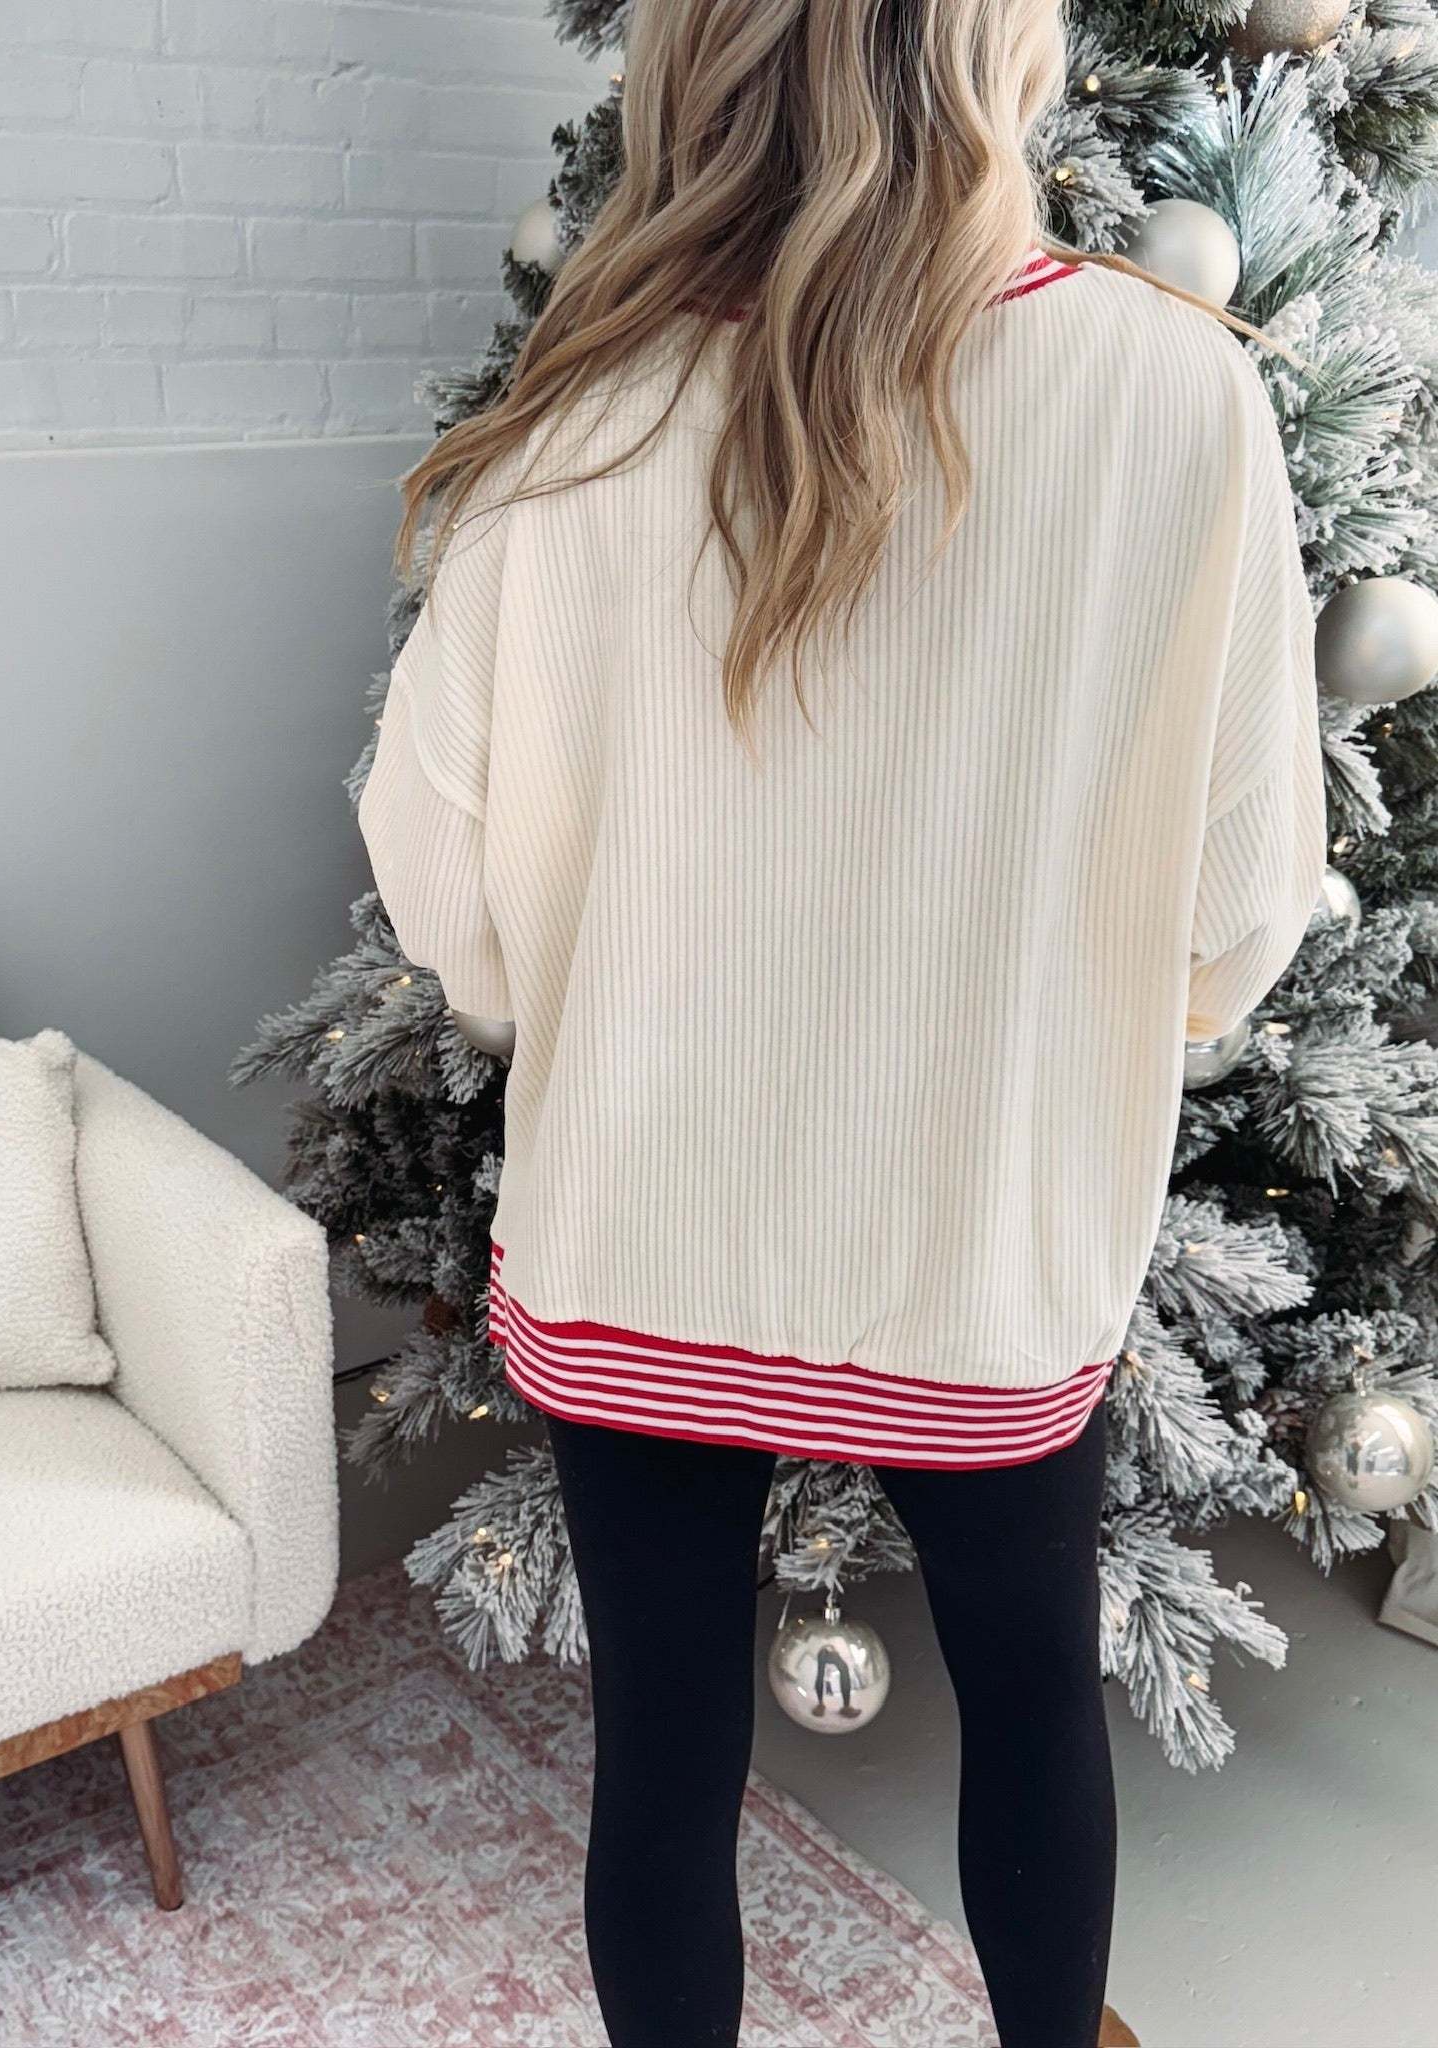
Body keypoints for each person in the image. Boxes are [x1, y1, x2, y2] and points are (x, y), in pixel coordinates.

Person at [357, 2, 1328, 2042]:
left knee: (660, 1754)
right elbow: (1242, 907)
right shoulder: (1176, 394)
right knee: (1033, 1704)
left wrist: (589, 987)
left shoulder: (583, 408)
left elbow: (442, 879)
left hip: (642, 1220)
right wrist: (1066, 1007)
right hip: (982, 1237)